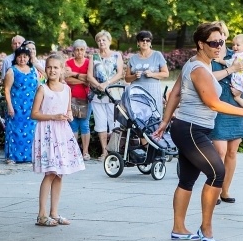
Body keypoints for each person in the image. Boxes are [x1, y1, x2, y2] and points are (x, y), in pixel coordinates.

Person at [154, 22, 243, 241]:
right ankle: (206, 228)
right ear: (201, 44)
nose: (218, 46)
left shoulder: (194, 63)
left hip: (187, 127)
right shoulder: (199, 69)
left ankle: (179, 228)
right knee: (217, 173)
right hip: (192, 129)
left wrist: (166, 121)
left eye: (221, 42)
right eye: (213, 43)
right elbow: (213, 103)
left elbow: (175, 93)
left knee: (187, 179)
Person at [31, 54, 85, 227]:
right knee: (51, 172)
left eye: (56, 67)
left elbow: (68, 110)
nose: (52, 70)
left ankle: (54, 212)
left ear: (62, 69)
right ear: (45, 69)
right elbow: (34, 114)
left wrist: (68, 115)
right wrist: (54, 116)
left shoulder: (66, 89)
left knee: (59, 173)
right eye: (49, 67)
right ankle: (41, 214)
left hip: (61, 133)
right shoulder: (42, 89)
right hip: (47, 132)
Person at [210, 22, 243, 205]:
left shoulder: (237, 54)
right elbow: (209, 77)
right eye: (215, 37)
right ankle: (215, 189)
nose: (219, 41)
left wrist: (242, 92)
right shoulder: (209, 56)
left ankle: (225, 190)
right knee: (220, 151)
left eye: (222, 36)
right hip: (218, 105)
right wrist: (231, 69)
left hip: (235, 104)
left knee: (232, 152)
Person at [87, 30, 124, 161]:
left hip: (113, 95)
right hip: (98, 96)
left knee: (114, 123)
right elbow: (89, 75)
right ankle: (104, 152)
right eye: (99, 40)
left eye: (104, 40)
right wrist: (98, 85)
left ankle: (114, 152)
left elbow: (120, 73)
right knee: (100, 123)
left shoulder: (116, 55)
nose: (101, 42)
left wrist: (106, 84)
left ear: (109, 41)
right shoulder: (94, 57)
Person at [3, 46, 38, 164]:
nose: (22, 59)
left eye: (25, 56)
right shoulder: (12, 71)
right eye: (19, 56)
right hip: (17, 105)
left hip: (31, 106)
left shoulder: (33, 70)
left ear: (28, 58)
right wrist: (9, 105)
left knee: (31, 131)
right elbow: (7, 90)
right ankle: (12, 157)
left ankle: (29, 156)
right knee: (15, 131)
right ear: (16, 58)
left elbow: (38, 86)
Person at [125, 30, 169, 114]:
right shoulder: (133, 58)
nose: (145, 42)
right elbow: (127, 79)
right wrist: (134, 76)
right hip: (137, 94)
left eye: (148, 40)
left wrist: (152, 74)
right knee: (138, 119)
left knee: (154, 119)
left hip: (153, 93)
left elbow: (166, 74)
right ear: (138, 42)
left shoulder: (157, 55)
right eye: (142, 40)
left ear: (150, 42)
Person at [64, 39, 92, 161]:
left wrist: (73, 74)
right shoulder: (68, 62)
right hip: (71, 98)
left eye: (82, 49)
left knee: (84, 125)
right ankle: (74, 152)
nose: (79, 52)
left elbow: (90, 79)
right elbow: (66, 79)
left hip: (86, 98)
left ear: (85, 50)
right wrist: (82, 79)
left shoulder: (89, 62)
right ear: (73, 51)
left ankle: (85, 152)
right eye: (77, 49)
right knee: (73, 125)